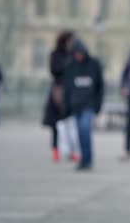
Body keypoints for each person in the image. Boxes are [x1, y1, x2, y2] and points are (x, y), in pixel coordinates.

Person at [63, 39, 104, 171]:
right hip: (76, 105)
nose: (78, 56)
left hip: (89, 104)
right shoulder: (70, 66)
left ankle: (88, 159)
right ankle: (84, 160)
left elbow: (100, 86)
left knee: (85, 129)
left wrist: (98, 105)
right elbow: (67, 88)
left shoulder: (94, 64)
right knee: (80, 133)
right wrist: (66, 107)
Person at [42, 31, 79, 162]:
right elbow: (54, 70)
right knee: (56, 125)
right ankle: (55, 149)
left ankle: (71, 151)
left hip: (71, 91)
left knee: (71, 124)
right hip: (58, 91)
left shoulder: (75, 54)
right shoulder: (56, 54)